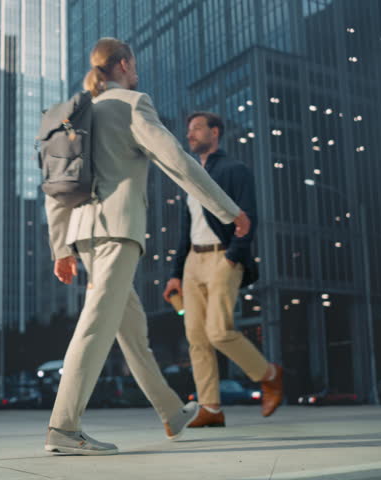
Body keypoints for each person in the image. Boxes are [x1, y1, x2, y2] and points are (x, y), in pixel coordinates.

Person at [43, 37, 251, 456]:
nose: (136, 71)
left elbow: (56, 183)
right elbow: (177, 160)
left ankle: (171, 412)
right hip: (118, 232)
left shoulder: (78, 112)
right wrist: (228, 210)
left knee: (132, 331)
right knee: (96, 325)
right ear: (123, 64)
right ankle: (63, 427)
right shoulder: (132, 103)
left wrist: (61, 247)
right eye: (133, 64)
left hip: (85, 234)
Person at [162, 112, 283, 429]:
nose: (190, 134)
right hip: (193, 262)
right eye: (189, 130)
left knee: (218, 331)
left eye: (197, 128)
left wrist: (233, 257)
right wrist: (176, 273)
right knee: (196, 338)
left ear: (215, 132)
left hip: (222, 257)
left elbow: (248, 217)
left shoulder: (234, 170)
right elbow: (186, 230)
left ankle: (269, 375)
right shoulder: (191, 175)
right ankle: (211, 407)